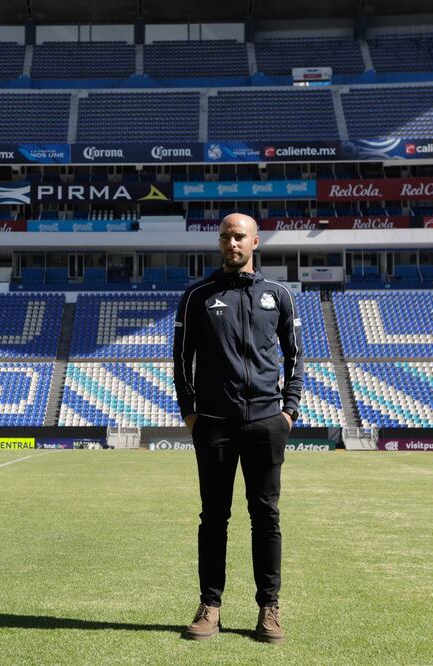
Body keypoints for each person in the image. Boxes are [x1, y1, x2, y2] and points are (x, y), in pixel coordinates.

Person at [172, 212, 303, 643]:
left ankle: (270, 607)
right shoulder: (197, 297)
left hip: (267, 422)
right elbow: (181, 361)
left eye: (240, 236)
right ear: (219, 242)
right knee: (214, 517)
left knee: (265, 516)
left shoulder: (278, 295)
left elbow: (295, 357)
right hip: (213, 424)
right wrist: (191, 414)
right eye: (226, 236)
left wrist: (289, 411)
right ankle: (210, 605)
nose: (233, 243)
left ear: (255, 242)